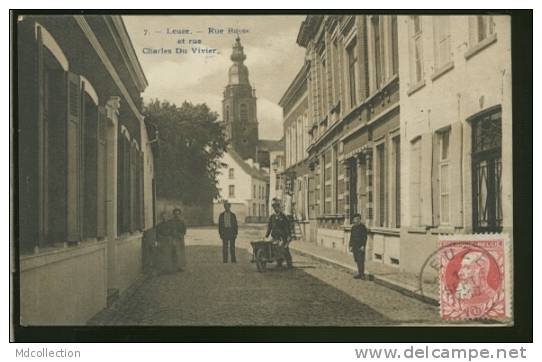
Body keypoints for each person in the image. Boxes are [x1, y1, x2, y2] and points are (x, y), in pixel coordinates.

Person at [265, 199, 293, 269]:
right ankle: (279, 262)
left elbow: (287, 227)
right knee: (270, 246)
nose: (275, 208)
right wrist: (266, 236)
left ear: (279, 207)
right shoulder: (272, 217)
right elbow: (269, 227)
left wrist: (288, 236)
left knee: (283, 248)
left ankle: (289, 263)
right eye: (274, 207)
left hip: (282, 237)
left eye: (276, 206)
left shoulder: (283, 217)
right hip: (274, 236)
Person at [349, 213, 368, 279]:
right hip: (355, 246)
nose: (355, 220)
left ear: (359, 220)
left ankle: (362, 274)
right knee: (357, 260)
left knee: (361, 260)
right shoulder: (353, 227)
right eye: (354, 219)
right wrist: (350, 245)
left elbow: (365, 237)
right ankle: (359, 273)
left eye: (356, 219)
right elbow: (351, 237)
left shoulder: (363, 227)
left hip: (360, 246)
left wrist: (363, 245)